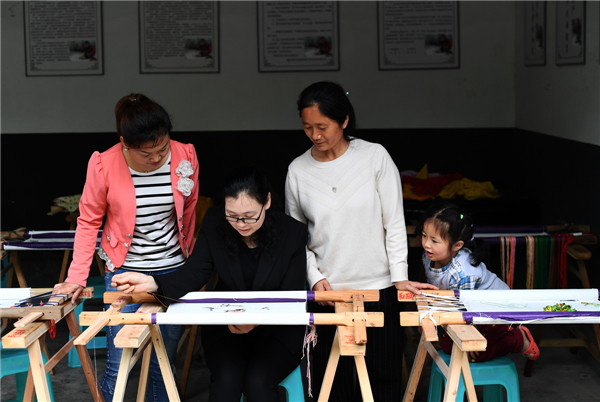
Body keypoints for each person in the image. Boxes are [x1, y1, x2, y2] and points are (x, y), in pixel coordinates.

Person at [284, 81, 437, 401]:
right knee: (333, 384)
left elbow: (394, 222)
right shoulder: (297, 171)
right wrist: (315, 278)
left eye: (322, 126)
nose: (315, 135)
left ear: (344, 121)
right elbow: (295, 238)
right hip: (329, 294)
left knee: (383, 379)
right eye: (307, 127)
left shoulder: (374, 157)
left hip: (379, 288)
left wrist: (399, 277)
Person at [111, 166, 308, 402]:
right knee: (226, 383)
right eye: (232, 215)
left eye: (249, 216)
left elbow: (291, 295)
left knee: (258, 384)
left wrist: (254, 320)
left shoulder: (292, 233)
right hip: (226, 326)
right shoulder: (216, 222)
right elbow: (196, 272)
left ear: (266, 202)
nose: (241, 224)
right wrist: (152, 282)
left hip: (277, 330)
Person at [52, 93, 199, 401]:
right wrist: (76, 277)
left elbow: (188, 210)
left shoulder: (185, 154)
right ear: (124, 143)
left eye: (162, 148)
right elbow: (88, 222)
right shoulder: (104, 164)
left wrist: (191, 262)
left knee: (163, 363)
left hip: (171, 271)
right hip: (125, 273)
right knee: (119, 364)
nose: (157, 159)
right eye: (147, 154)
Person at [417, 201, 540, 362]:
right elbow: (436, 292)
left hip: (496, 311)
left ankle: (518, 339)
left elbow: (466, 309)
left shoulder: (463, 273)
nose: (426, 244)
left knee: (471, 353)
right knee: (448, 346)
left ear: (457, 245)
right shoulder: (429, 256)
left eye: (434, 241)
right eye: (424, 236)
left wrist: (470, 339)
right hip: (466, 309)